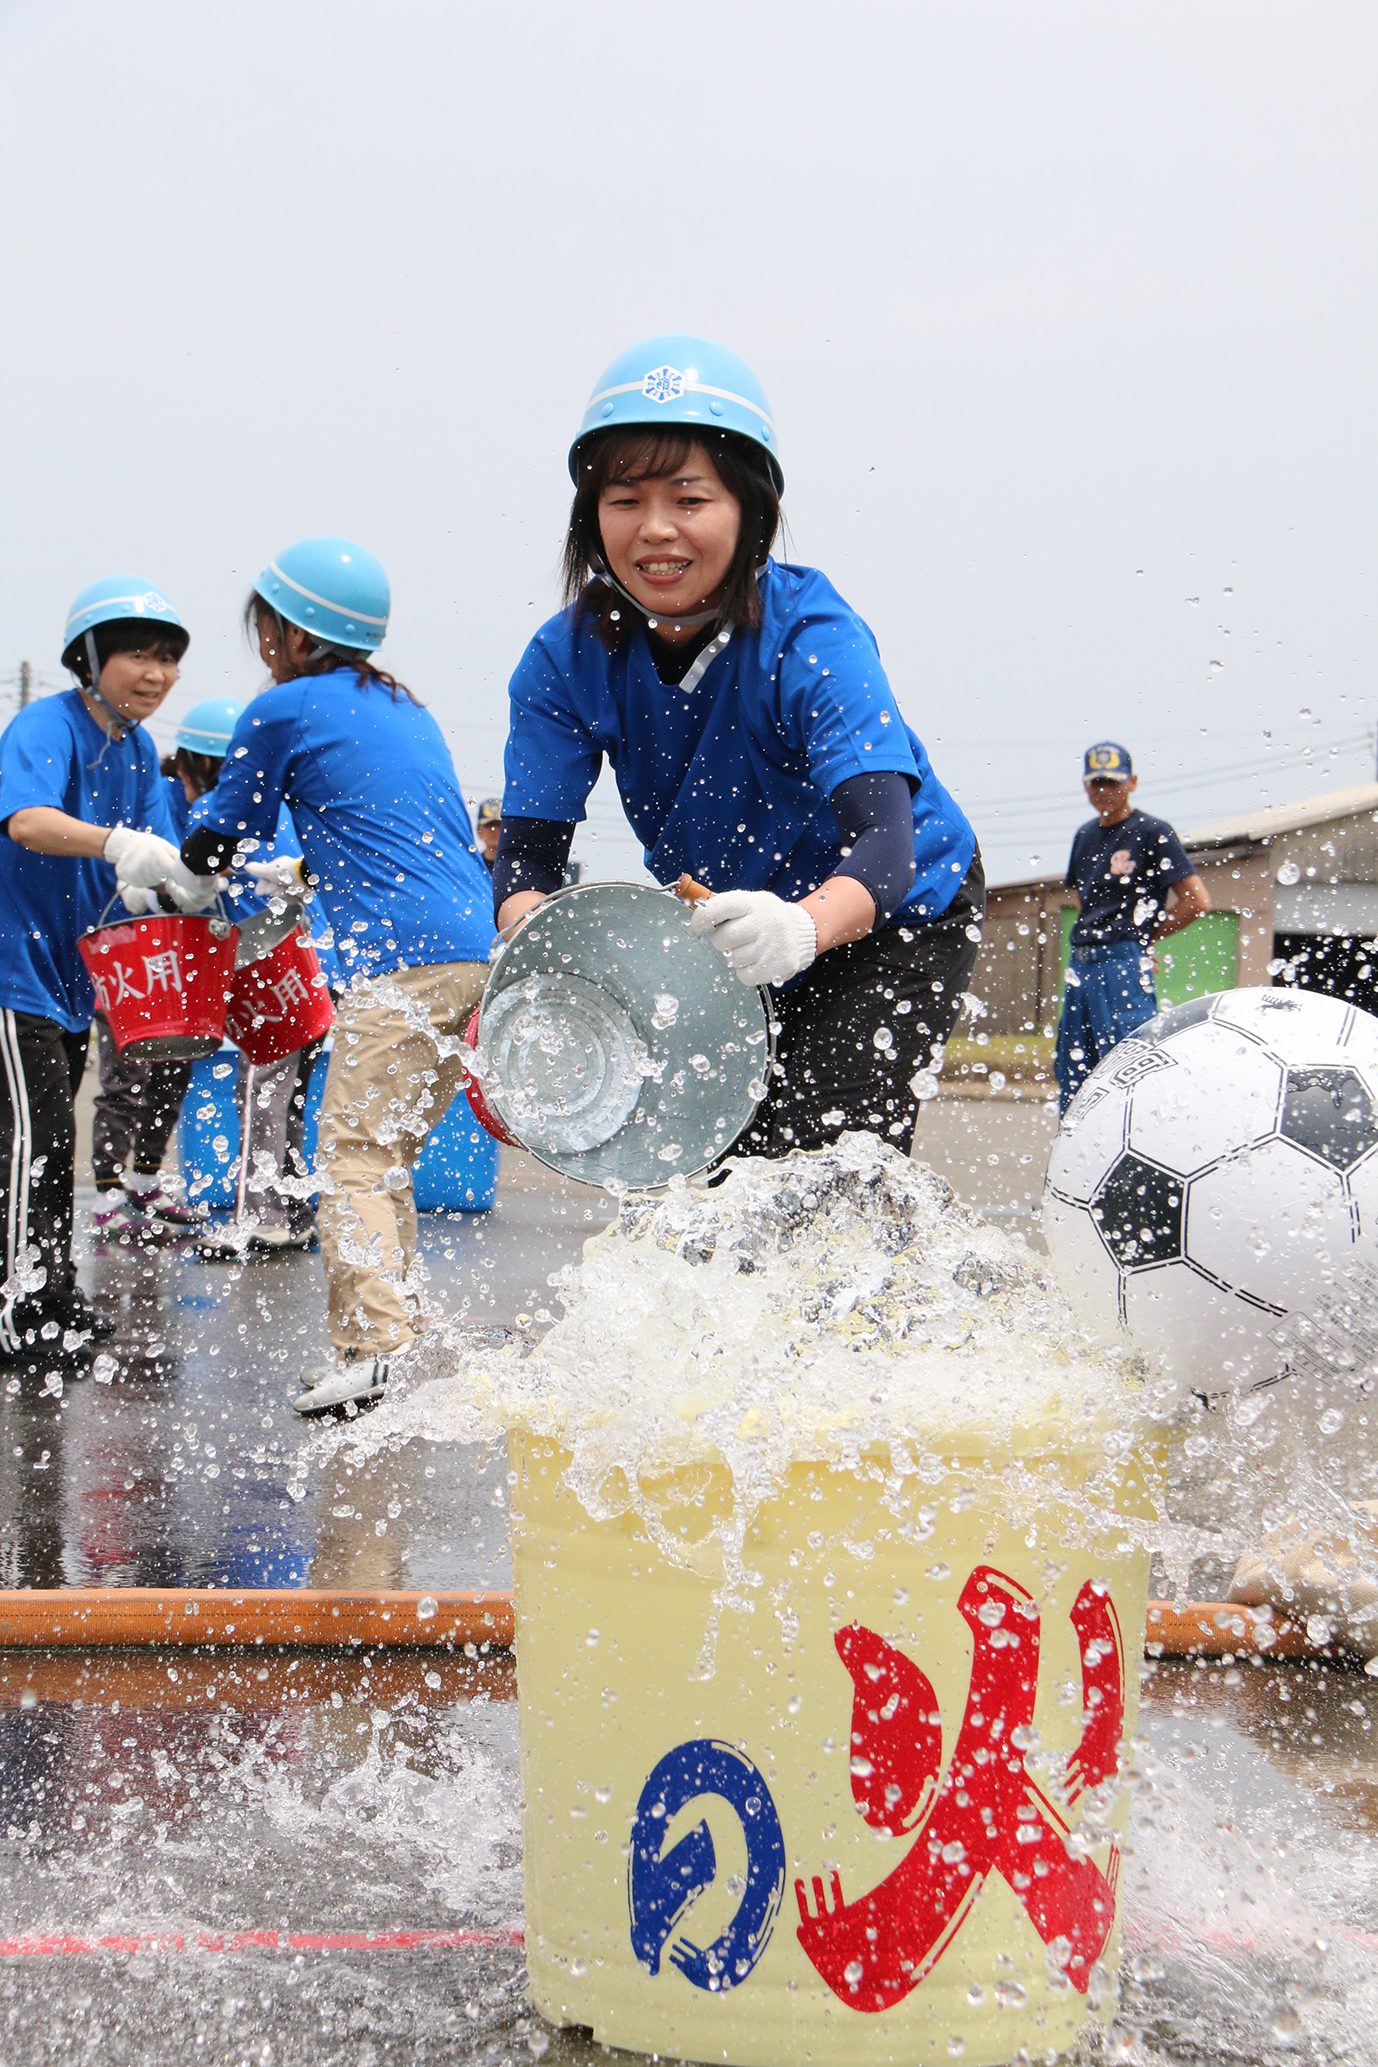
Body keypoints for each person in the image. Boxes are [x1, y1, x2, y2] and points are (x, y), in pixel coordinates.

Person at [493, 334, 983, 1155]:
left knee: (824, 1165)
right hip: (729, 922)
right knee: (714, 1169)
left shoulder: (811, 633)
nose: (655, 531)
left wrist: (800, 930)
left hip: (894, 911)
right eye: (623, 500)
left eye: (690, 500)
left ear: (752, 509)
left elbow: (887, 844)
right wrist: (534, 956)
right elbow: (527, 864)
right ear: (590, 516)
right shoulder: (562, 659)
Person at [176, 536, 494, 1414]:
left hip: (397, 963)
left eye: (265, 626)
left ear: (288, 629)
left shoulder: (283, 709)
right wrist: (305, 873)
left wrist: (177, 856)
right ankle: (397, 1333)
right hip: (472, 951)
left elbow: (217, 835)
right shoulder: (405, 707)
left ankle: (373, 1349)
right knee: (386, 1154)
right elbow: (385, 827)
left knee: (351, 1154)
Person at [0, 577, 216, 1368]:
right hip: (10, 966)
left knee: (51, 1145)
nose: (156, 674)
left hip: (69, 978)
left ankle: (52, 1291)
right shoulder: (45, 725)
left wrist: (216, 881)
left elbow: (169, 865)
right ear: (90, 657)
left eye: (168, 660)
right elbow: (26, 820)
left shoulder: (134, 752)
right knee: (38, 1139)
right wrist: (114, 844)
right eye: (137, 655)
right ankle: (21, 1308)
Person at [90, 699, 246, 1246]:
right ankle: (109, 1197)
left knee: (173, 1072)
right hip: (133, 963)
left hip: (183, 967)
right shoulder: (155, 803)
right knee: (124, 1078)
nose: (212, 781)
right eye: (207, 767)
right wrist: (153, 887)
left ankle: (147, 1182)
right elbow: (131, 872)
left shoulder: (223, 816)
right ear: (185, 762)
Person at [1054, 742, 1211, 1114]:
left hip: (1122, 966)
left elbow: (1197, 902)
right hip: (1082, 966)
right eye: (1095, 783)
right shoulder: (1084, 835)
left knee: (1126, 1065)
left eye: (1112, 782)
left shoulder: (1152, 832)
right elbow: (1083, 897)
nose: (1103, 791)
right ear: (1085, 786)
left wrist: (1143, 940)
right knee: (1073, 1070)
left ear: (1133, 782)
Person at [474, 798, 503, 869]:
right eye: (489, 825)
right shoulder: (472, 867)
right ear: (479, 831)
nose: (494, 829)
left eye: (499, 825)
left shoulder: (519, 865)